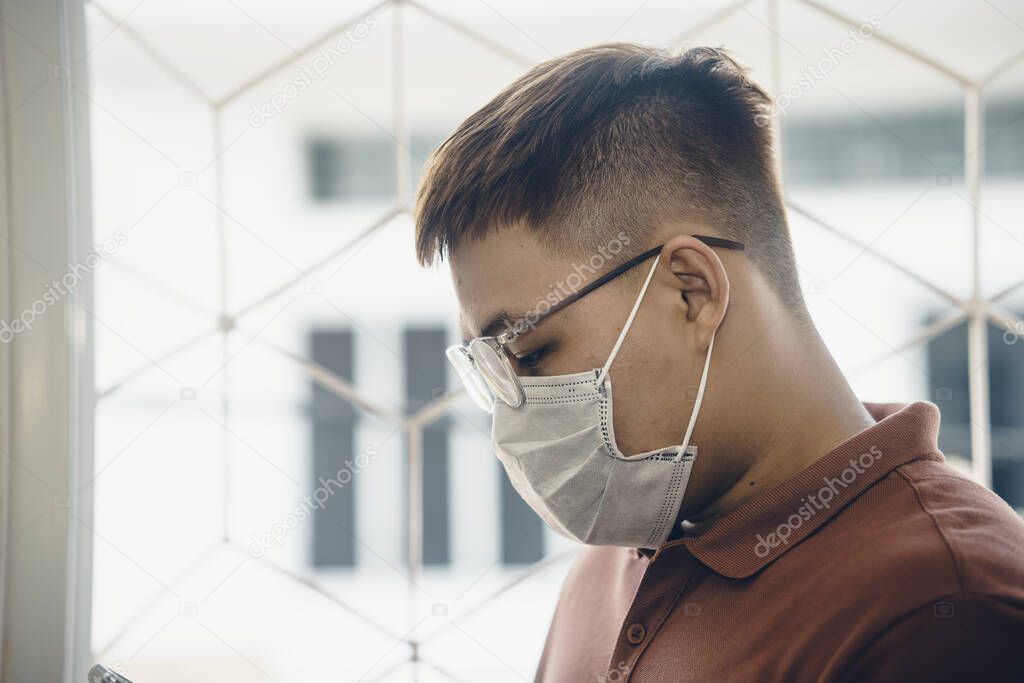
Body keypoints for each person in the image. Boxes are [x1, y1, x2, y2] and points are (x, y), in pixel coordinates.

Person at [413, 43, 1024, 682]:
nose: (510, 424)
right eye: (492, 371)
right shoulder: (617, 561)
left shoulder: (941, 609)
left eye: (532, 353)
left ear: (692, 291)